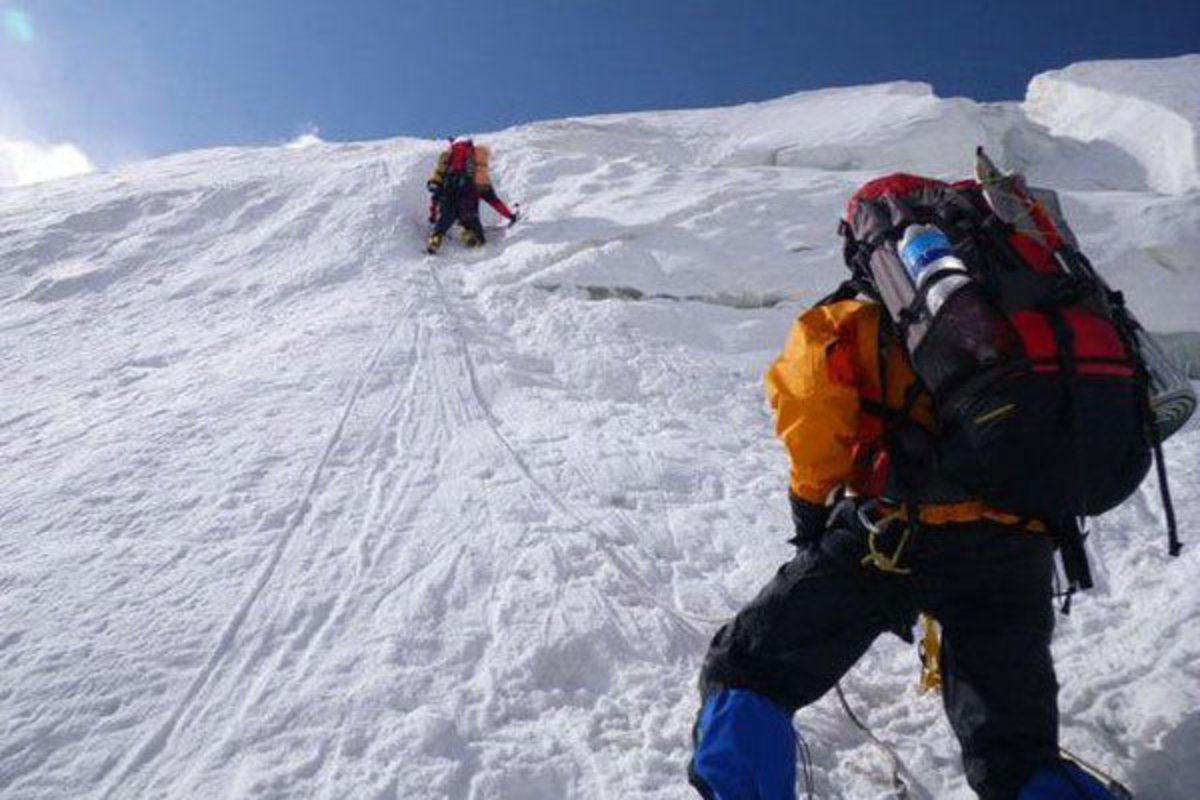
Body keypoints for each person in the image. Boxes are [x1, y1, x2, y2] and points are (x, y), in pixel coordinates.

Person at [686, 191, 1132, 797]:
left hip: (890, 537)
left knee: (748, 672)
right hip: (1019, 545)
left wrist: (810, 509)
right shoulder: (1036, 308)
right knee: (1016, 749)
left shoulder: (850, 318)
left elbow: (813, 419)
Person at [425, 138, 518, 254]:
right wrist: (510, 215)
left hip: (447, 198)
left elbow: (435, 196)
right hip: (468, 203)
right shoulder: (478, 174)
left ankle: (435, 239)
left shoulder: (448, 165)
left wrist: (432, 217)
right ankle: (470, 236)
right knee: (473, 229)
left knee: (442, 224)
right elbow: (493, 200)